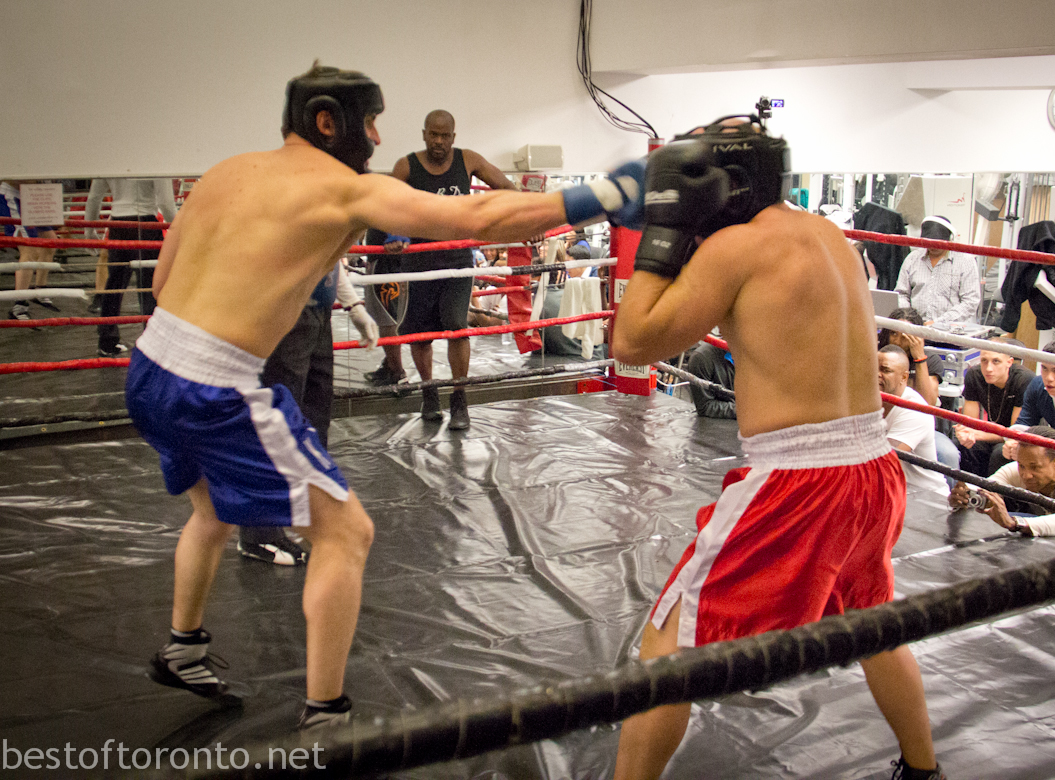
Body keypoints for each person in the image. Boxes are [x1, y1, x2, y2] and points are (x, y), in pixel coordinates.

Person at [128, 61, 643, 728]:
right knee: (347, 534)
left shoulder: (225, 172)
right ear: (327, 121)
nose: (376, 136)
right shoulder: (346, 189)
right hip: (214, 384)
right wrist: (605, 193)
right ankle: (328, 717)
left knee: (209, 512)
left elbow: (163, 285)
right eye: (370, 122)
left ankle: (184, 647)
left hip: (150, 368)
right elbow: (480, 215)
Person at [610, 114, 941, 780]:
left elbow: (631, 343)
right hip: (874, 467)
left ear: (725, 185)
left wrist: (663, 233)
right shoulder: (828, 234)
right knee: (875, 624)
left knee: (667, 643)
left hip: (800, 479)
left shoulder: (737, 249)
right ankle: (923, 770)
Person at [376, 109, 519, 430]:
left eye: (445, 136)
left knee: (456, 325)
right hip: (418, 265)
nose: (439, 141)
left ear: (453, 137)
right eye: (433, 135)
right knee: (420, 335)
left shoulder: (467, 160)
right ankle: (429, 393)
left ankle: (459, 399)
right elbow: (386, 203)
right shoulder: (406, 166)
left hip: (456, 262)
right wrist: (395, 234)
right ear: (424, 134)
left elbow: (506, 187)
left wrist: (528, 220)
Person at [238, 260, 379, 566]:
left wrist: (353, 304)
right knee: (278, 422)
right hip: (283, 311)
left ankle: (305, 512)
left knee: (315, 418)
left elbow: (329, 255)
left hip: (318, 312)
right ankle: (258, 531)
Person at [949, 426, 1055, 546]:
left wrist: (1014, 523)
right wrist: (967, 495)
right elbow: (989, 487)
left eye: (1035, 467)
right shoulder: (1019, 470)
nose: (1026, 475)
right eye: (1022, 465)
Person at [84, 178, 177, 356]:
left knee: (114, 285)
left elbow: (94, 198)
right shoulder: (157, 161)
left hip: (118, 224)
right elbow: (165, 202)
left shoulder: (108, 162)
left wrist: (89, 231)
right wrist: (181, 228)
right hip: (147, 224)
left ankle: (107, 342)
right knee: (150, 287)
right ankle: (153, 345)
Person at [879, 345, 952, 499]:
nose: (876, 375)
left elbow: (885, 461)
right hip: (893, 491)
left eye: (885, 370)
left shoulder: (914, 409)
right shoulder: (867, 400)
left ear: (904, 377)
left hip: (927, 497)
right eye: (873, 369)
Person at [954, 339, 1035, 477]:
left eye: (996, 361)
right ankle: (967, 488)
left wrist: (978, 434)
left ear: (1009, 362)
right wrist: (965, 434)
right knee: (964, 445)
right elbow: (969, 424)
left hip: (1022, 437)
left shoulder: (1024, 379)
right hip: (993, 432)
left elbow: (1015, 433)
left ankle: (991, 490)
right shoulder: (974, 375)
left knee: (1001, 452)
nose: (988, 368)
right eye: (984, 361)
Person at [894, 215, 980, 325]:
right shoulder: (912, 259)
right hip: (915, 327)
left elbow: (970, 302)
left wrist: (938, 322)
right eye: (929, 242)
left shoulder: (965, 261)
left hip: (950, 329)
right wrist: (908, 318)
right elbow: (901, 294)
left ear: (950, 239)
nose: (933, 247)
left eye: (938, 243)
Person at [2, 180, 62, 321]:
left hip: (34, 197)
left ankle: (40, 289)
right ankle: (19, 305)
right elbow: (11, 178)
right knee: (29, 250)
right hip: (13, 195)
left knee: (50, 241)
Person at [685, 340, 736, 419]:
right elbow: (705, 407)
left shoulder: (752, 355)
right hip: (720, 422)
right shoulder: (702, 358)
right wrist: (744, 410)